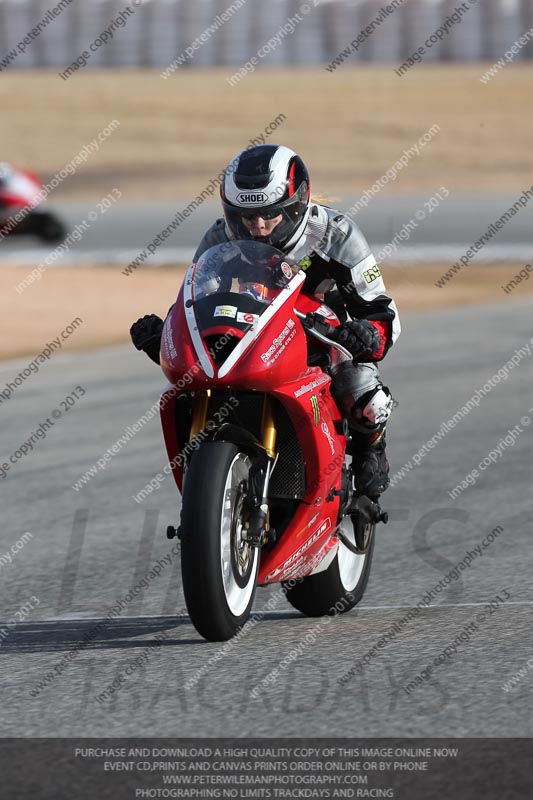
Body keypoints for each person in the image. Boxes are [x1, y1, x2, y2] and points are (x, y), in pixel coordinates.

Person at [130, 145, 401, 501]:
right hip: (250, 331)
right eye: (245, 215)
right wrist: (167, 337)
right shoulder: (219, 237)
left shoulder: (337, 235)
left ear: (297, 204)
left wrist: (367, 334)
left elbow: (382, 311)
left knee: (365, 394)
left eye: (270, 214)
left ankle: (370, 447)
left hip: (321, 333)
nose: (257, 225)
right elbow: (196, 300)